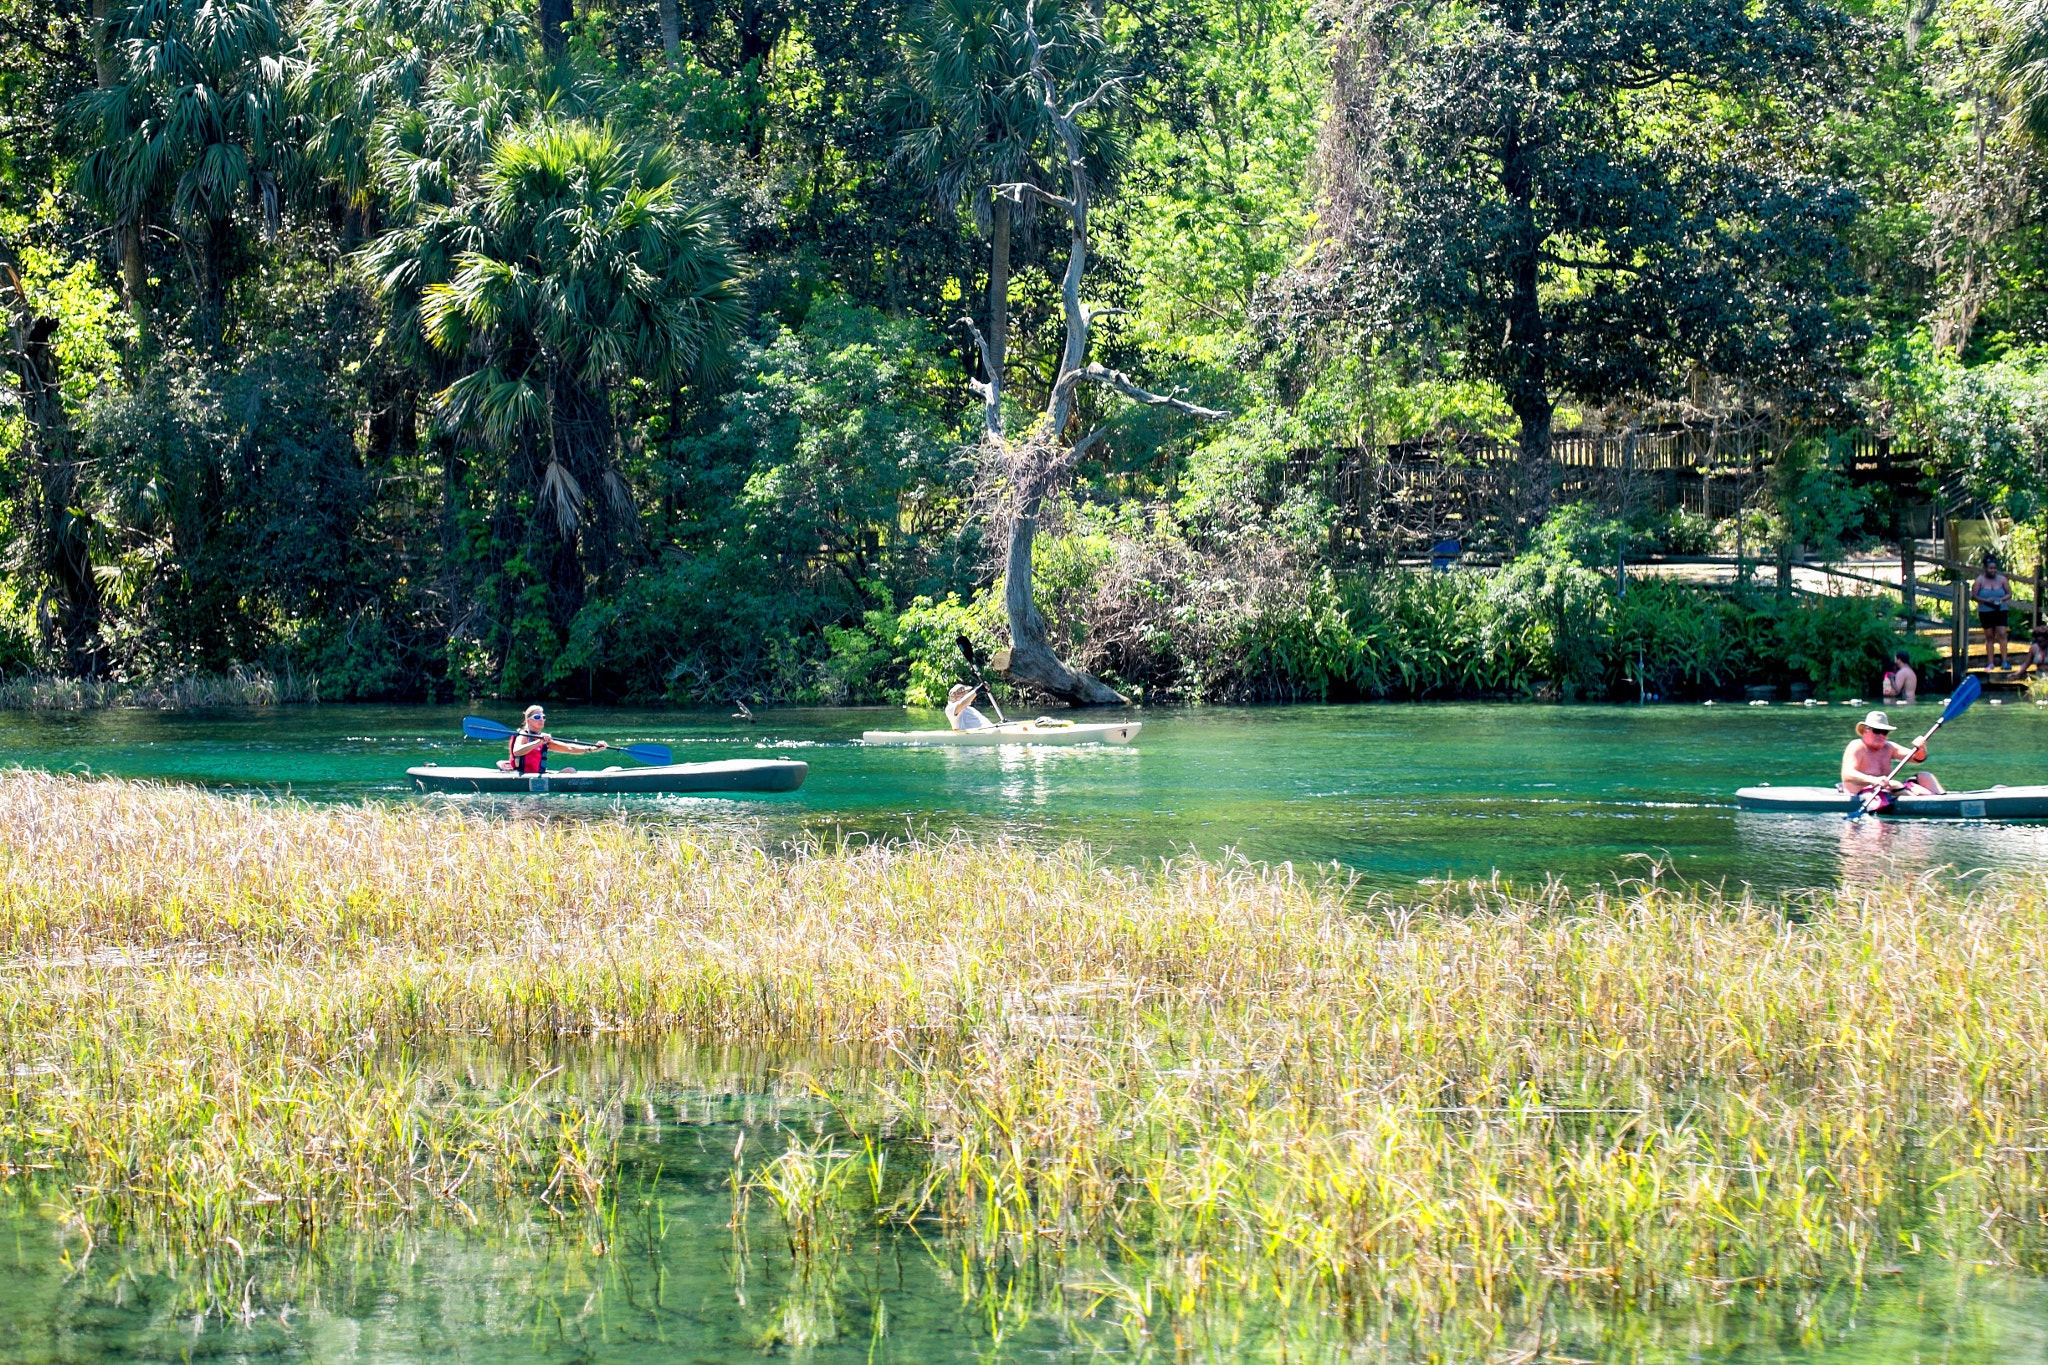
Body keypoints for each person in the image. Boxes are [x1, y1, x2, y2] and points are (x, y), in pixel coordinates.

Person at [1840, 710, 1943, 798]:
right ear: (1866, 731)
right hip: (1862, 795)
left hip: (1886, 792)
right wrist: (1874, 780)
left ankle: (1944, 800)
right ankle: (1922, 802)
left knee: (1925, 776)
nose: (1881, 735)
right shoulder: (1856, 746)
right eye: (1877, 731)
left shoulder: (1889, 747)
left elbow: (1918, 759)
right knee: (1895, 784)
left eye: (1884, 732)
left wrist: (1920, 748)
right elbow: (1847, 774)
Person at [500, 705, 608, 774]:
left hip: (538, 775)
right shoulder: (523, 735)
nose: (541, 719)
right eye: (537, 717)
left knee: (571, 771)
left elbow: (569, 748)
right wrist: (539, 742)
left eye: (543, 717)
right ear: (529, 721)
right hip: (523, 776)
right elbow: (517, 751)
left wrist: (593, 748)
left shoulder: (544, 739)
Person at [1972, 553, 2014, 670]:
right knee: (1989, 636)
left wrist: (2001, 599)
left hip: (2000, 609)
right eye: (1990, 568)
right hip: (1986, 611)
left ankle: (2005, 661)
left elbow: (2009, 593)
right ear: (1985, 568)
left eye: (1994, 568)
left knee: (2002, 633)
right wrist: (1986, 600)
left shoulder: (2002, 580)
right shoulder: (1980, 580)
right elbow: (1974, 595)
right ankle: (1991, 663)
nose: (1993, 570)